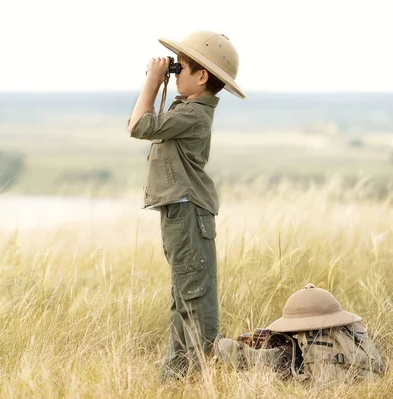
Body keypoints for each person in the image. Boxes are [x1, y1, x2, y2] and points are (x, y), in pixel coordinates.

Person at [127, 30, 245, 381]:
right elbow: (142, 125)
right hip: (181, 211)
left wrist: (151, 81)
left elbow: (138, 126)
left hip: (188, 211)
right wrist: (163, 82)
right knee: (183, 296)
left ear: (202, 76)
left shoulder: (192, 115)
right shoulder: (187, 110)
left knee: (194, 298)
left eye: (181, 69)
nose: (175, 74)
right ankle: (176, 376)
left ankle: (235, 365)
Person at [214, 284, 385, 384]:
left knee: (280, 355)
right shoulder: (354, 332)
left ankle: (266, 358)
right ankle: (276, 356)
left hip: (308, 368)